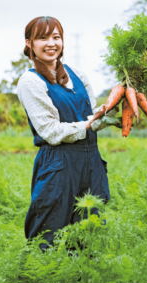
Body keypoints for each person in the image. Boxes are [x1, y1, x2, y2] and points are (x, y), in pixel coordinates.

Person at [17, 16, 121, 251]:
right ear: (29, 43)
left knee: (89, 232)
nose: (51, 43)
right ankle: (40, 282)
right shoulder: (30, 81)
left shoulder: (77, 75)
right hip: (59, 165)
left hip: (91, 162)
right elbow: (51, 131)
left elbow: (91, 116)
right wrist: (89, 123)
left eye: (56, 37)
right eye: (42, 38)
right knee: (47, 234)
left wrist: (111, 114)